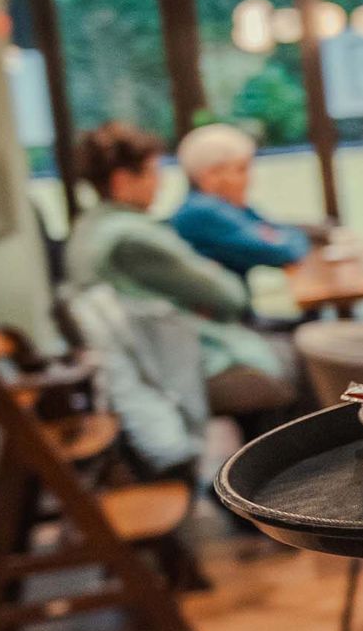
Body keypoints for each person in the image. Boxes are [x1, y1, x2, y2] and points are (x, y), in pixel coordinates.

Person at [66, 123, 300, 434]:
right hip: (174, 367)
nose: (160, 183)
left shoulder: (87, 229)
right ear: (122, 181)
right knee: (304, 360)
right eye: (152, 173)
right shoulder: (133, 237)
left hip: (144, 360)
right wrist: (211, 277)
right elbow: (230, 295)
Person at [169, 123, 314, 280]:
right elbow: (283, 252)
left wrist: (285, 236)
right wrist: (287, 237)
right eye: (241, 169)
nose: (249, 179)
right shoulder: (202, 211)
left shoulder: (228, 206)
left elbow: (278, 230)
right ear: (211, 176)